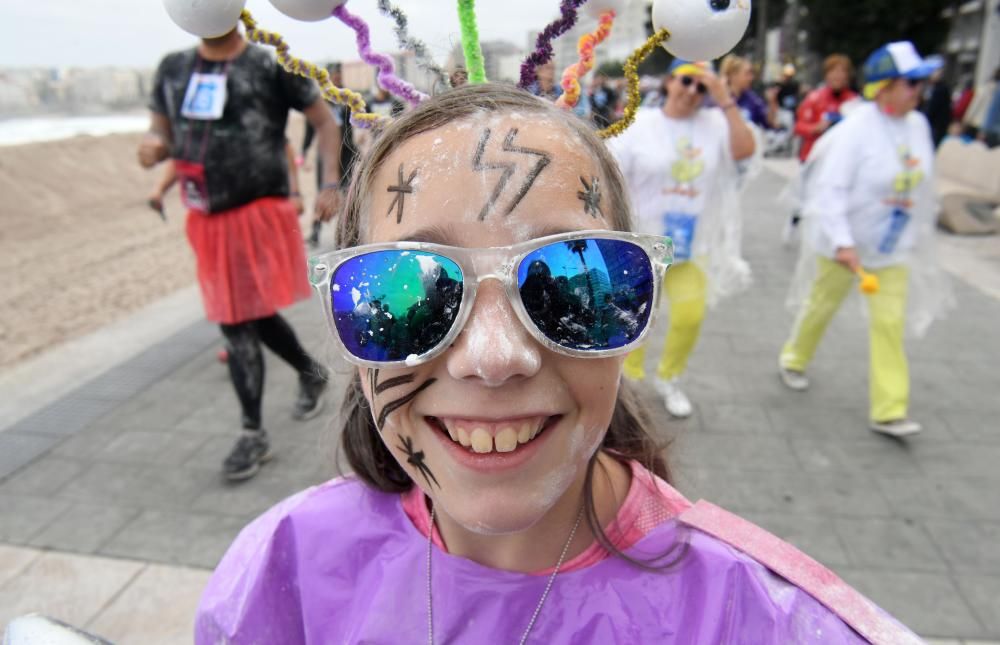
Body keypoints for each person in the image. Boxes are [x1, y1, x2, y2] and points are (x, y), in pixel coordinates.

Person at [195, 82, 919, 644]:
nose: (494, 357)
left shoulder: (752, 612)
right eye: (402, 292)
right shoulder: (285, 567)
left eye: (578, 282)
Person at [139, 23, 343, 481]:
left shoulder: (269, 64)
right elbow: (163, 132)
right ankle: (309, 372)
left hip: (258, 213)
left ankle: (253, 433)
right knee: (245, 314)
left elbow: (325, 121)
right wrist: (154, 147)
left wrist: (330, 182)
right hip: (205, 217)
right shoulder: (174, 68)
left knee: (237, 320)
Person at [780, 41, 953, 438]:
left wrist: (918, 232)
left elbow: (923, 188)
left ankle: (890, 410)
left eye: (920, 83)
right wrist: (843, 241)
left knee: (889, 323)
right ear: (884, 86)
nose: (918, 91)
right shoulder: (855, 130)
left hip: (892, 251)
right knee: (821, 307)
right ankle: (794, 357)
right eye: (910, 83)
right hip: (845, 250)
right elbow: (831, 190)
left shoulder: (919, 126)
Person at [608, 60, 754, 418]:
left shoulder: (716, 125)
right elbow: (610, 175)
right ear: (670, 81)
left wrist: (726, 101)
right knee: (633, 320)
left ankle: (669, 378)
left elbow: (745, 151)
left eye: (701, 87)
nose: (691, 92)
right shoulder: (639, 124)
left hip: (691, 247)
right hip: (641, 247)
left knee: (690, 317)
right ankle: (630, 384)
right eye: (687, 81)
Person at [783, 54, 860, 244]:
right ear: (826, 74)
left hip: (842, 161)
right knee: (805, 198)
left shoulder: (855, 102)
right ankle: (795, 223)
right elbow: (799, 126)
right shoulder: (814, 98)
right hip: (813, 159)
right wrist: (816, 128)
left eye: (842, 72)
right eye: (834, 72)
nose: (838, 76)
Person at [301, 63, 358, 248]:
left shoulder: (346, 99)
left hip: (346, 155)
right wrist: (304, 150)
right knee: (323, 192)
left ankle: (347, 235)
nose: (337, 78)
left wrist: (356, 151)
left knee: (347, 195)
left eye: (339, 75)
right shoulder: (319, 101)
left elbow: (351, 129)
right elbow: (310, 129)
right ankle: (315, 233)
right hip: (325, 157)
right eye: (334, 75)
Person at [720, 54, 776, 130]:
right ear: (733, 75)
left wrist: (772, 102)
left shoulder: (751, 98)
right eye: (747, 73)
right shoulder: (719, 97)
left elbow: (769, 123)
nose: (751, 77)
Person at [919, 61, 952, 147]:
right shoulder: (938, 88)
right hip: (938, 125)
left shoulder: (939, 90)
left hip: (936, 125)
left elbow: (932, 108)